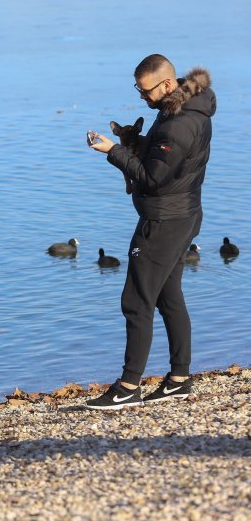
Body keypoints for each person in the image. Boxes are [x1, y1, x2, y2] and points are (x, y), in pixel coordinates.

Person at [86, 54, 215, 409]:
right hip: (184, 214)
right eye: (138, 91)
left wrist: (114, 151)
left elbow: (154, 179)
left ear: (168, 84)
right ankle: (179, 379)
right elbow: (169, 165)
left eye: (146, 92)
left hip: (162, 221)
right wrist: (136, 144)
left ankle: (128, 387)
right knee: (168, 295)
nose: (143, 98)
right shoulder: (188, 111)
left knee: (136, 301)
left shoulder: (178, 124)